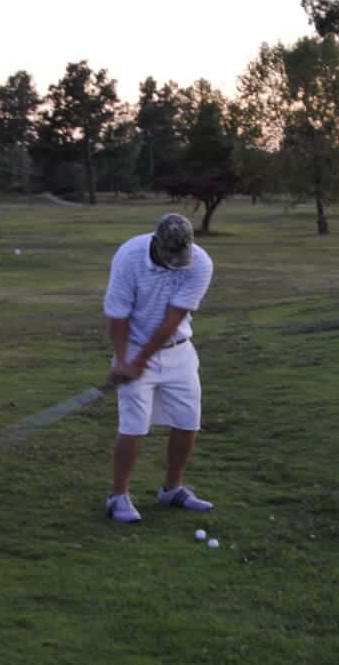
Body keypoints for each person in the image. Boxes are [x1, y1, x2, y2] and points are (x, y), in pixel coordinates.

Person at [103, 213, 215, 522]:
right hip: (134, 344)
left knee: (188, 420)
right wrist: (124, 360)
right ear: (156, 244)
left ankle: (171, 490)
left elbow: (173, 319)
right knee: (134, 425)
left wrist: (139, 363)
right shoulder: (129, 257)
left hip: (179, 350)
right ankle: (119, 497)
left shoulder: (200, 263)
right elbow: (117, 315)